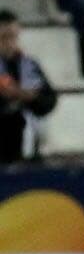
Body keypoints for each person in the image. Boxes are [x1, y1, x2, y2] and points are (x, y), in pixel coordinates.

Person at [0, 10, 57, 164]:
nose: (9, 43)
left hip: (29, 146)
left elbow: (49, 101)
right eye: (4, 37)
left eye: (13, 37)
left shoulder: (29, 65)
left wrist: (30, 97)